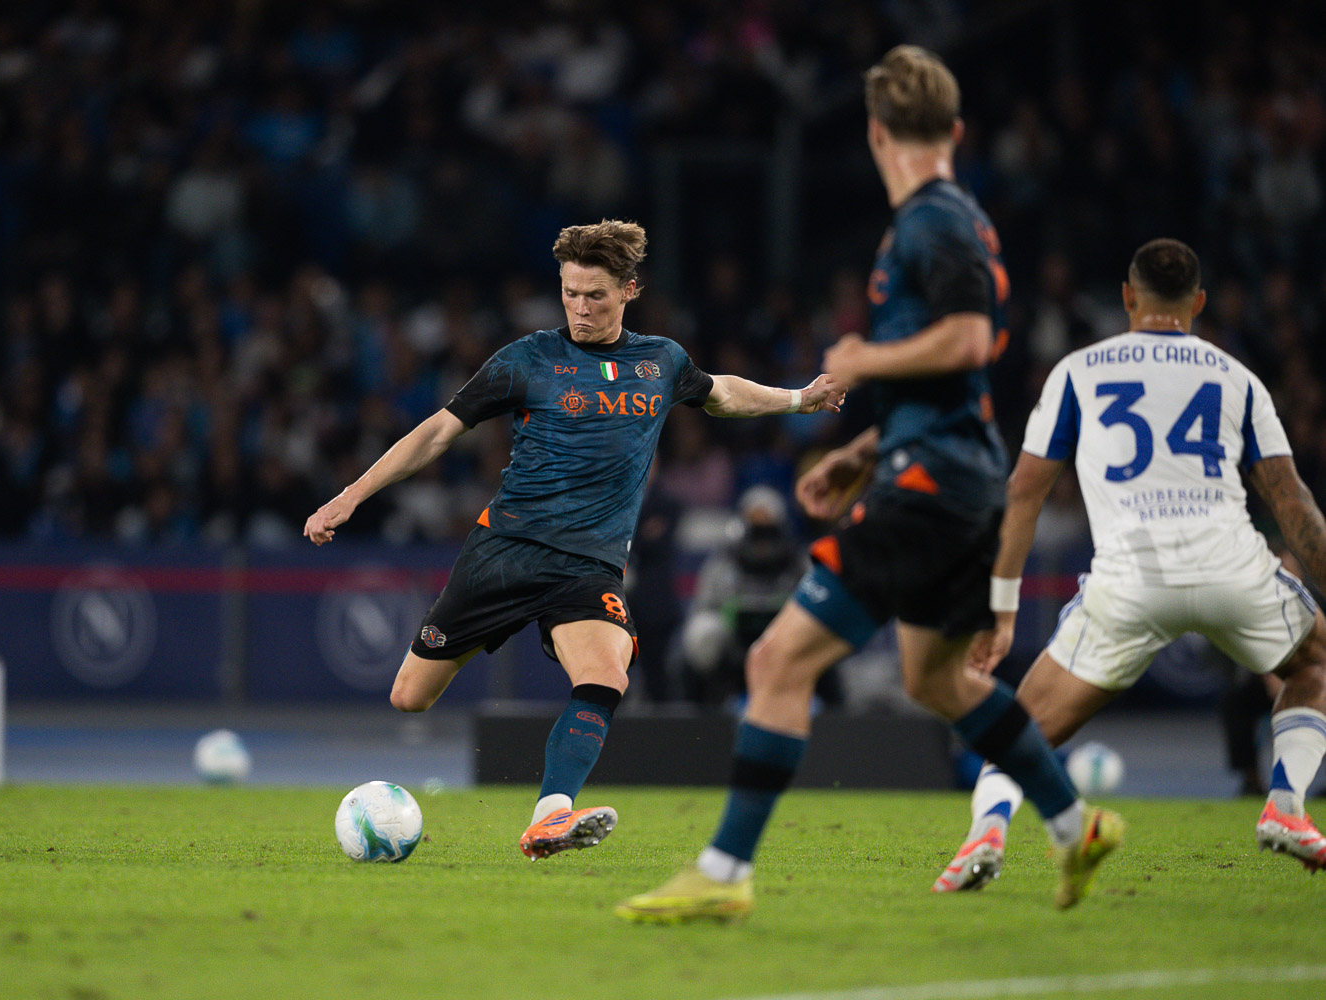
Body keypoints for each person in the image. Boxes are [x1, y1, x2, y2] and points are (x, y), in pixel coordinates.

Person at [617, 45, 1120, 923]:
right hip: (949, 473)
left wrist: (864, 357)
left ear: (876, 134)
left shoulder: (932, 222)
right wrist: (863, 450)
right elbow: (957, 380)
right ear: (954, 129)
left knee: (777, 659)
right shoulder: (950, 222)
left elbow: (968, 340)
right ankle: (1077, 826)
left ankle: (724, 870)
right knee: (937, 682)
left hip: (928, 490)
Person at [305, 219, 846, 859]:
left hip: (588, 566)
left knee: (607, 674)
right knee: (409, 698)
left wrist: (799, 399)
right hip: (505, 553)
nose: (580, 308)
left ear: (629, 291)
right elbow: (438, 432)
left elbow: (722, 394)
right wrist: (350, 496)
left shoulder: (661, 362)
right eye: (569, 294)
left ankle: (549, 816)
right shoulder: (528, 359)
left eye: (595, 295)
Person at [934, 238, 1326, 890]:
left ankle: (986, 833)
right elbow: (1292, 502)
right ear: (1198, 303)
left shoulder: (1077, 372)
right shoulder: (1237, 378)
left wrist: (1000, 611)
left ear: (1127, 298)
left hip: (1129, 581)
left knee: (1023, 725)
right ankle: (1286, 805)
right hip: (1231, 568)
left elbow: (1024, 493)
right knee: (1313, 663)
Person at [676, 485, 811, 705]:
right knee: (702, 632)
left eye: (767, 528)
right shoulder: (724, 559)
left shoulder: (796, 561)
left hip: (786, 634)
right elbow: (703, 605)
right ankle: (703, 706)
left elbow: (813, 602)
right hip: (732, 637)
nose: (762, 539)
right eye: (756, 528)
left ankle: (827, 707)